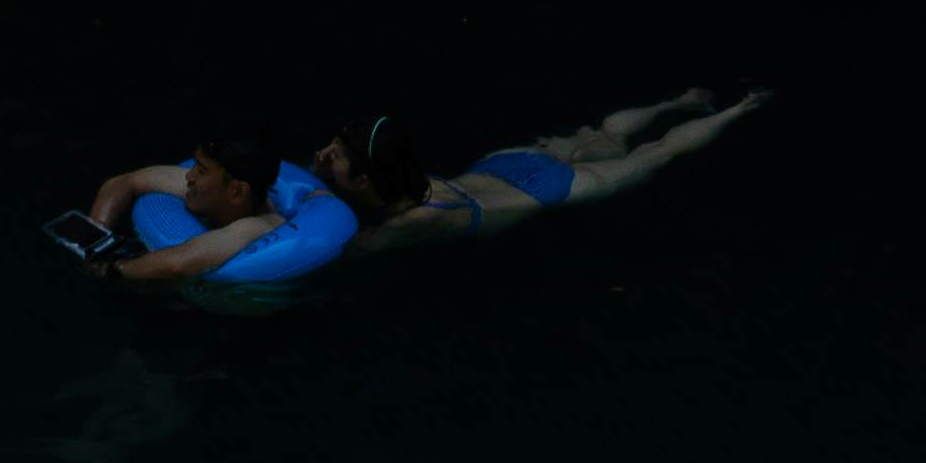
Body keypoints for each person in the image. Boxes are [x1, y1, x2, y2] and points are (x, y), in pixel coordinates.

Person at [312, 90, 769, 245]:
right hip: (508, 166)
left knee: (658, 153)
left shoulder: (405, 225)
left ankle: (741, 109)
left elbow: (345, 251)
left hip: (548, 190)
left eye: (336, 154)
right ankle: (682, 100)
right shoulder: (409, 180)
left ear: (365, 178)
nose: (327, 155)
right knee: (604, 135)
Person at [69, 139, 360, 293]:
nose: (190, 176)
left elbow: (179, 264)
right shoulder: (211, 188)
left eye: (202, 170)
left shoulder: (254, 228)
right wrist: (95, 238)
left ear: (236, 192)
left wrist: (111, 270)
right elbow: (123, 182)